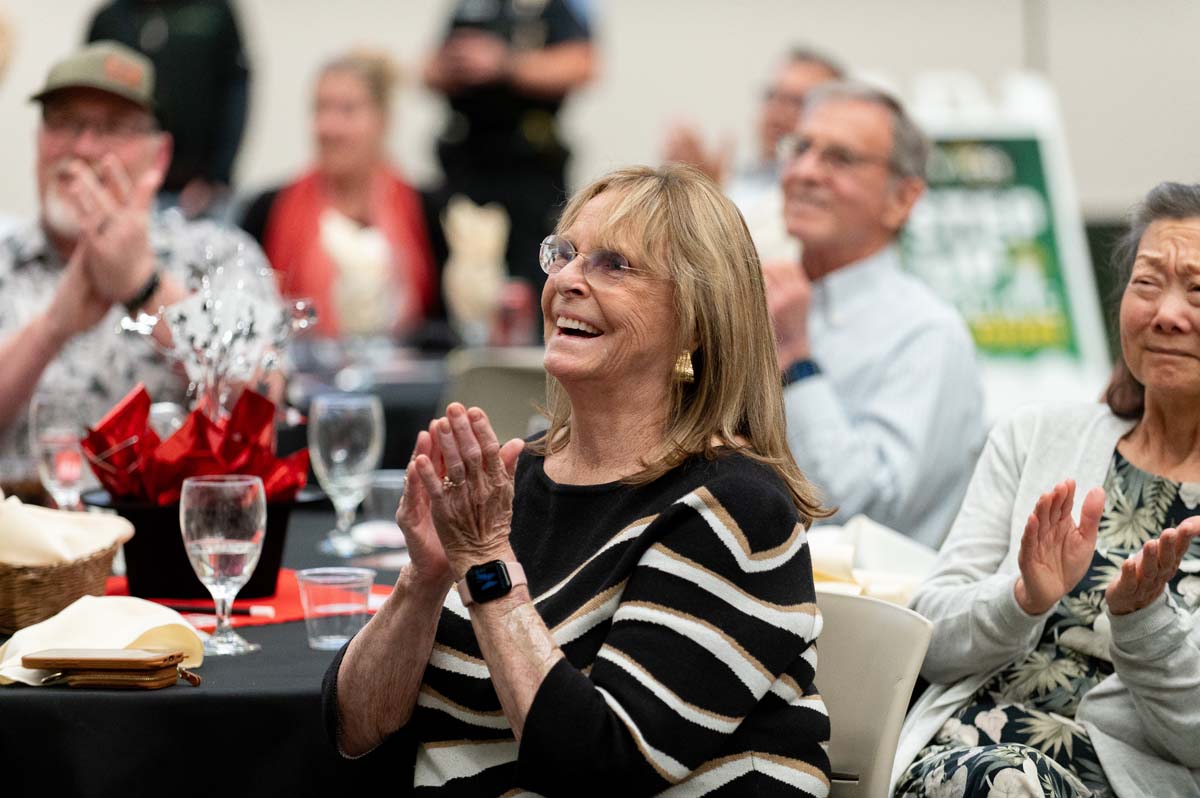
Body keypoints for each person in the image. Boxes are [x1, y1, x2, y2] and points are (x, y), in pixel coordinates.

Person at [323, 165, 833, 796]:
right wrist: (423, 580)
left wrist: (485, 565)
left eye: (614, 264)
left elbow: (602, 765)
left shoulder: (734, 507)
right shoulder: (518, 481)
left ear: (697, 321)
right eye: (563, 255)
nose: (565, 280)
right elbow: (354, 731)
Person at [892, 182, 1200, 798]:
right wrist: (1021, 599)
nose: (1166, 313)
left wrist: (1144, 623)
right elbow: (930, 639)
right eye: (1146, 283)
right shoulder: (1034, 437)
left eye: (1197, 290)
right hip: (958, 756)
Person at [0, 41, 279, 460]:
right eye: (65, 123)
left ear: (159, 156)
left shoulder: (218, 254)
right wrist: (51, 328)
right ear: (39, 139)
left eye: (113, 127)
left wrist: (145, 287)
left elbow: (263, 402)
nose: (84, 148)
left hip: (170, 524)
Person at [767, 80, 984, 548]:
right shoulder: (761, 295)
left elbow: (863, 515)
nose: (804, 171)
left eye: (839, 159)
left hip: (855, 612)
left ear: (902, 199)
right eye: (800, 148)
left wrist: (797, 362)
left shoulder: (927, 335)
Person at [239, 50, 438, 340]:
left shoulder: (425, 210)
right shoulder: (268, 209)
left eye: (347, 110)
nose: (328, 127)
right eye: (320, 109)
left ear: (383, 120)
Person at [423, 0, 595, 290]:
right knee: (460, 269)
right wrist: (457, 66)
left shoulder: (551, 8)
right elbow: (427, 71)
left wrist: (505, 64)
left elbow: (583, 64)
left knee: (531, 277)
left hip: (528, 170)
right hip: (467, 163)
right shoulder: (471, 7)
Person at [664, 47, 843, 262]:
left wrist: (705, 199)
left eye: (797, 102)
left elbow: (750, 270)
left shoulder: (822, 199)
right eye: (772, 96)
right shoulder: (735, 175)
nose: (778, 110)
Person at [86, 0, 251, 219]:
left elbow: (234, 97)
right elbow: (87, 102)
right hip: (117, 184)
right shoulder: (110, 19)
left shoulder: (214, 12)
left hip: (195, 192)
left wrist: (217, 177)